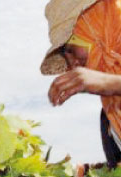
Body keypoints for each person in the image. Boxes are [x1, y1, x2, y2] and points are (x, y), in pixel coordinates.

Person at [43, 0, 121, 167]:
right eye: (66, 58)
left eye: (71, 50)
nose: (72, 65)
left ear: (93, 27)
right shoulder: (109, 118)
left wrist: (110, 83)